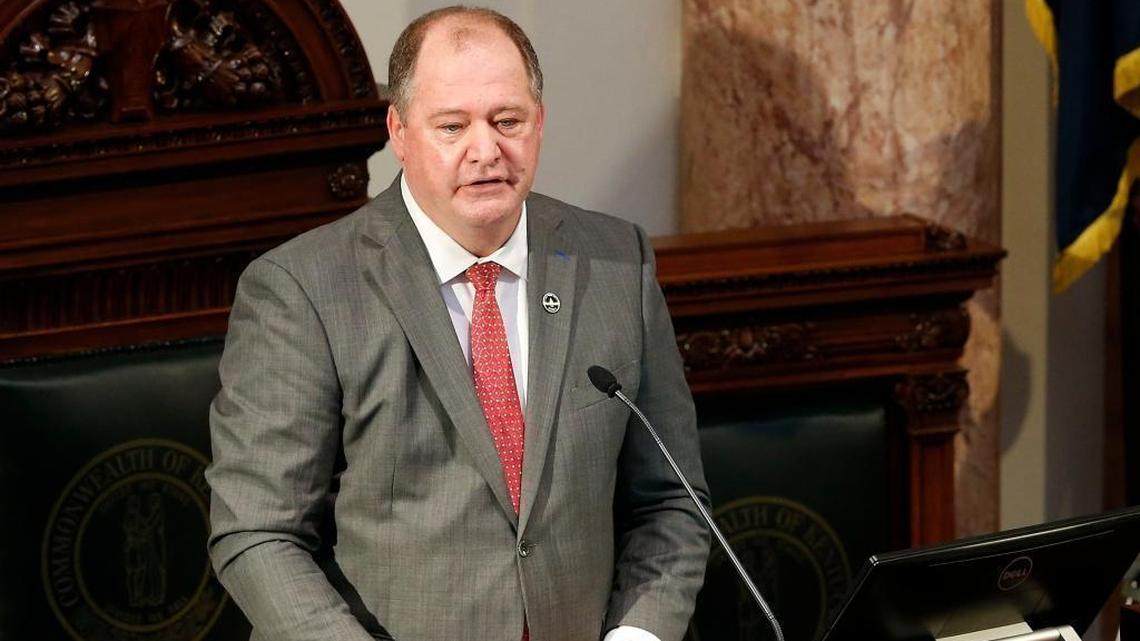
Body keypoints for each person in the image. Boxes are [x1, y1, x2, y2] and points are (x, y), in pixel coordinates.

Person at [205, 6, 710, 641]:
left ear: (540, 122)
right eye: (452, 126)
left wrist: (637, 635)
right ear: (400, 130)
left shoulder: (616, 261)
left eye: (508, 121)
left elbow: (672, 502)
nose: (486, 150)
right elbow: (256, 530)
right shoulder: (303, 288)